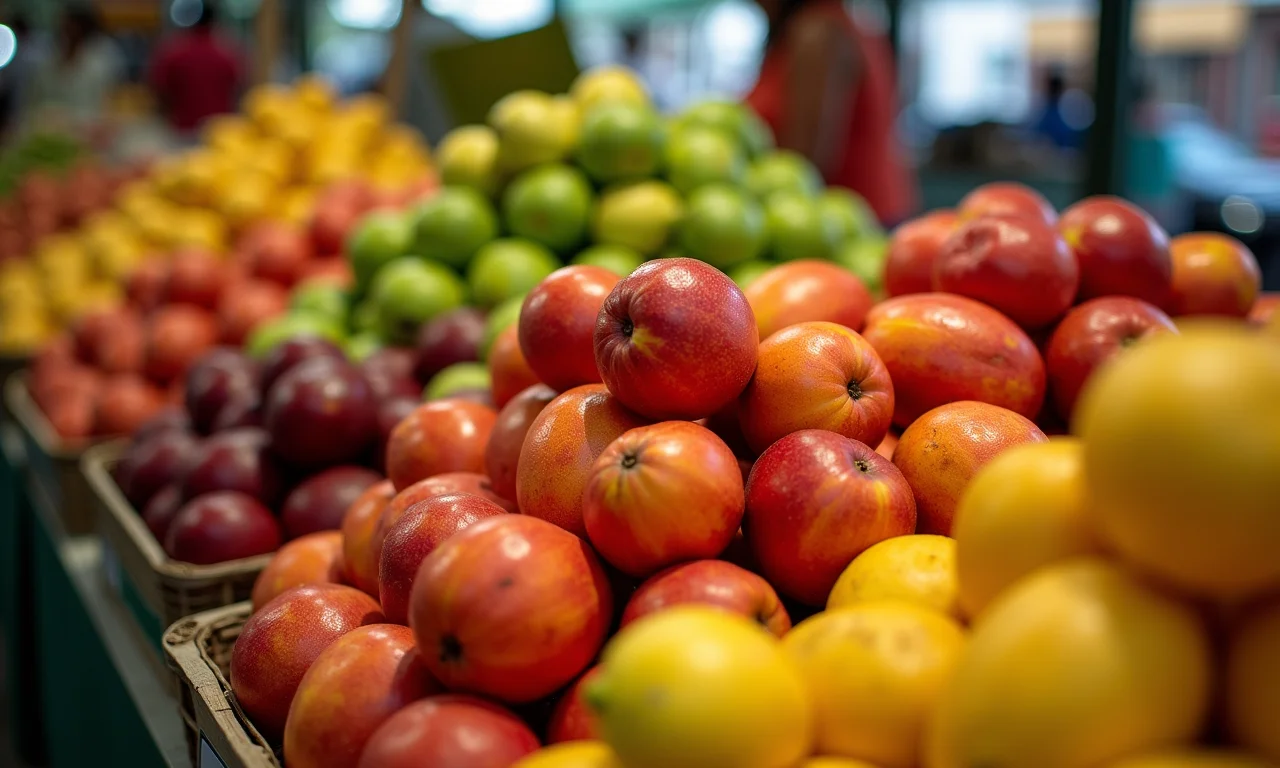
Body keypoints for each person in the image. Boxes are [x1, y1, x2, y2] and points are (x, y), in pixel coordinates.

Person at [746, 0, 917, 225]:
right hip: (855, 221)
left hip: (851, 228)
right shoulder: (828, 25)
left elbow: (803, 170)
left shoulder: (819, 33)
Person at [26, 6, 126, 144]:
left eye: (72, 27)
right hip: (49, 134)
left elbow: (110, 101)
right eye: (64, 28)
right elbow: (35, 100)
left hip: (91, 136)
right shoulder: (49, 61)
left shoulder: (102, 60)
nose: (67, 32)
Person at [149, 2, 242, 135]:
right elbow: (237, 89)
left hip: (183, 129)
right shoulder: (228, 55)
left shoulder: (174, 53)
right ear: (214, 22)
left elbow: (159, 90)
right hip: (219, 132)